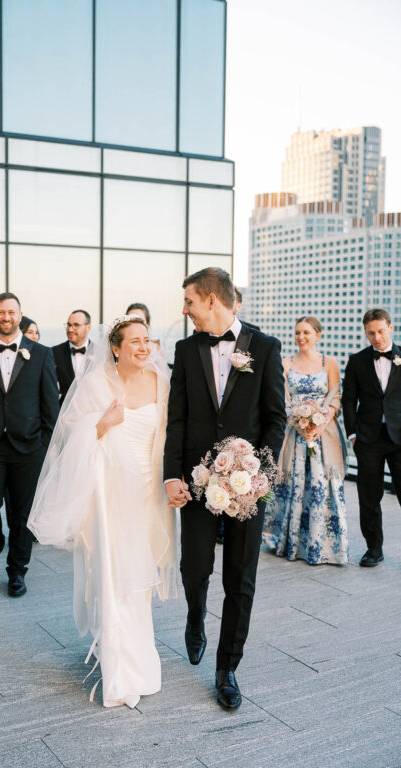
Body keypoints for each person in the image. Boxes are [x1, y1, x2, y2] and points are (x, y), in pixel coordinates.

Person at [29, 315, 176, 707]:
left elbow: (170, 439)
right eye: (135, 341)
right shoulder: (96, 384)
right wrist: (101, 423)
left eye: (147, 340)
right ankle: (118, 675)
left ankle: (141, 664)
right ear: (115, 347)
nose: (144, 347)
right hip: (108, 498)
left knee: (139, 582)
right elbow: (67, 440)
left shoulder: (161, 383)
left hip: (147, 496)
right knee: (113, 580)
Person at [164, 267, 286, 710]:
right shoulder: (186, 349)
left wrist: (260, 475)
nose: (185, 310)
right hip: (198, 482)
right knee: (194, 567)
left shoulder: (265, 347)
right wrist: (172, 474)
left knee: (241, 578)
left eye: (190, 301)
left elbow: (276, 418)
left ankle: (227, 668)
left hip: (248, 487)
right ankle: (195, 616)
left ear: (212, 300)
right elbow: (177, 418)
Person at [0, 292, 59, 597]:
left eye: (11, 312)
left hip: (29, 447)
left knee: (22, 513)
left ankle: (17, 570)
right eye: (0, 312)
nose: (6, 317)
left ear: (20, 314)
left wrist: (43, 444)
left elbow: (50, 407)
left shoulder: (41, 354)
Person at [263, 317, 348, 565]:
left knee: (323, 486)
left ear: (317, 335)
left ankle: (323, 547)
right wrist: (299, 423)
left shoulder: (329, 362)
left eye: (307, 332)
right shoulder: (285, 363)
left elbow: (335, 397)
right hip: (295, 435)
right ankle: (291, 544)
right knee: (293, 484)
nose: (301, 337)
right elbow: (281, 399)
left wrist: (321, 420)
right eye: (298, 332)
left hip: (324, 435)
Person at [342, 308, 401, 568]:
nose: (376, 337)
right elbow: (348, 399)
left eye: (380, 331)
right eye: (371, 333)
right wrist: (353, 434)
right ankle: (373, 549)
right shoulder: (357, 361)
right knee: (369, 497)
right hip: (368, 439)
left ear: (391, 327)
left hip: (400, 438)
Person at [53, 310, 92, 406]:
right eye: (69, 325)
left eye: (76, 325)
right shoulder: (54, 353)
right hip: (63, 411)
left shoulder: (100, 352)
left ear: (88, 327)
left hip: (93, 411)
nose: (70, 329)